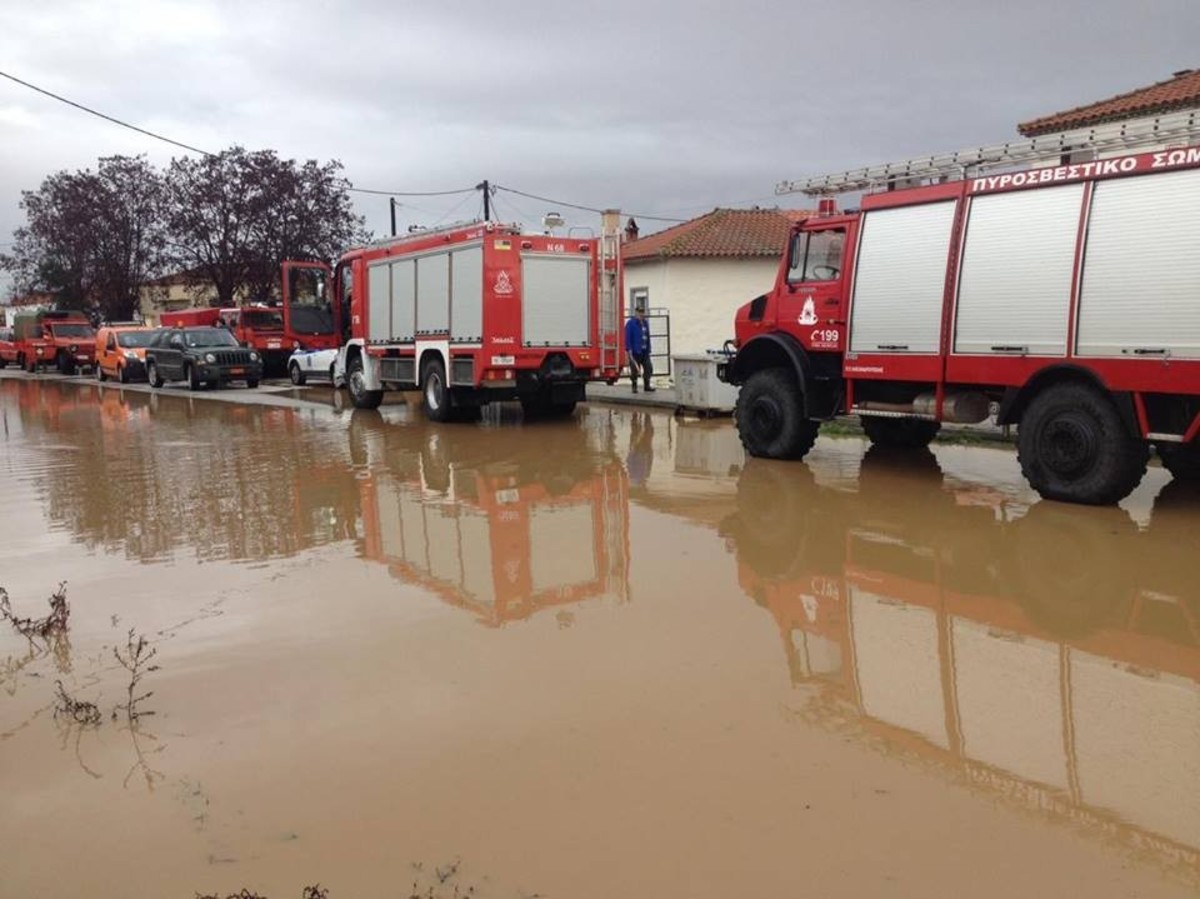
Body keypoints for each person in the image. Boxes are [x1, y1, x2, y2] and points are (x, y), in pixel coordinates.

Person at [624, 308, 655, 393]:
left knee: (649, 368)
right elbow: (627, 337)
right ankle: (634, 386)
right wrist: (628, 349)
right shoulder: (631, 323)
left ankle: (647, 385)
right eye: (640, 312)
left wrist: (649, 348)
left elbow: (647, 336)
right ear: (636, 313)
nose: (641, 314)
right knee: (634, 370)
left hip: (644, 351)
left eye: (642, 312)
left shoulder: (645, 323)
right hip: (635, 351)